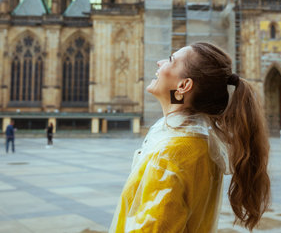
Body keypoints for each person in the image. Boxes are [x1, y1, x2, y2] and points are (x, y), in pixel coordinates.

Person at [109, 43, 270, 232]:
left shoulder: (171, 153)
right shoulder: (199, 142)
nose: (159, 63)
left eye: (170, 60)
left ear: (184, 86)